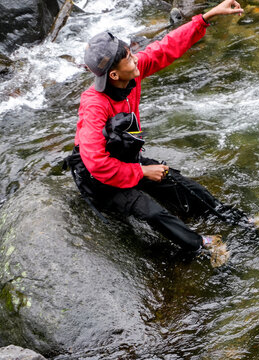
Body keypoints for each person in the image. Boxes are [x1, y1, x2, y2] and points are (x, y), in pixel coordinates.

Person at [65, 1, 246, 267]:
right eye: (128, 56)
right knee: (152, 212)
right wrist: (141, 173)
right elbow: (95, 163)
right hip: (98, 178)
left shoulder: (131, 75)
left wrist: (205, 17)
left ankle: (236, 218)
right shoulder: (94, 104)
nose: (135, 57)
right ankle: (204, 245)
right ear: (113, 74)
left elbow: (165, 49)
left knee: (180, 183)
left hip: (125, 160)